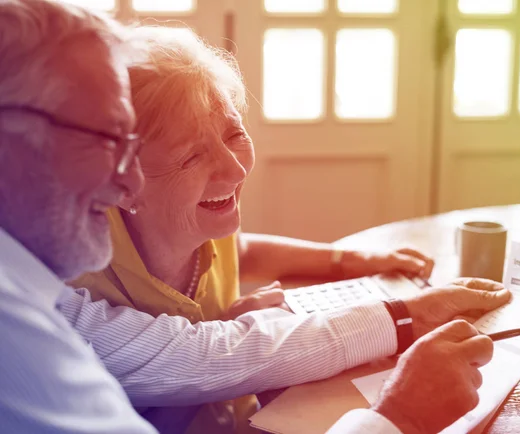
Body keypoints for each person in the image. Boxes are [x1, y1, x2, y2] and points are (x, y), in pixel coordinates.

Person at [0, 1, 508, 433]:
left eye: (235, 134)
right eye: (105, 138)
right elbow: (196, 356)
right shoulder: (26, 320)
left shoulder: (33, 290)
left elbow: (202, 350)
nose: (125, 180)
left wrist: (346, 272)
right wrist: (399, 417)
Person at [70, 26, 438, 432]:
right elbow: (157, 391)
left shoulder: (203, 221)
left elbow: (243, 251)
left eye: (234, 134)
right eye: (192, 156)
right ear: (121, 182)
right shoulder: (81, 276)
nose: (235, 167)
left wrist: (348, 261)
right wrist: (233, 334)